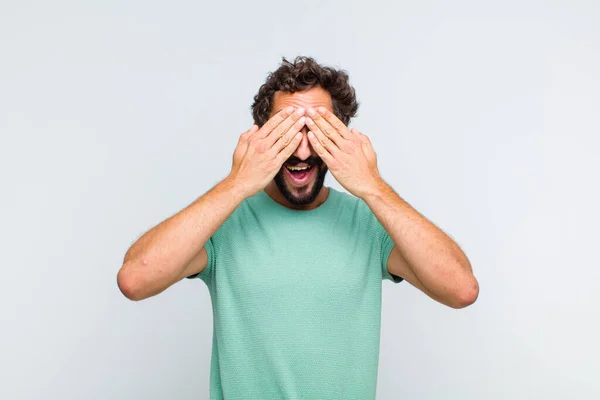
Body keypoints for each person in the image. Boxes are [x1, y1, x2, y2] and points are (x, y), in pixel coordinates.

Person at [117, 56, 479, 399]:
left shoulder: (368, 222)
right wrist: (238, 183)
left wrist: (372, 186)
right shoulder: (226, 222)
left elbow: (461, 289)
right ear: (261, 136)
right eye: (286, 130)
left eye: (317, 130)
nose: (302, 150)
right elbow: (135, 279)